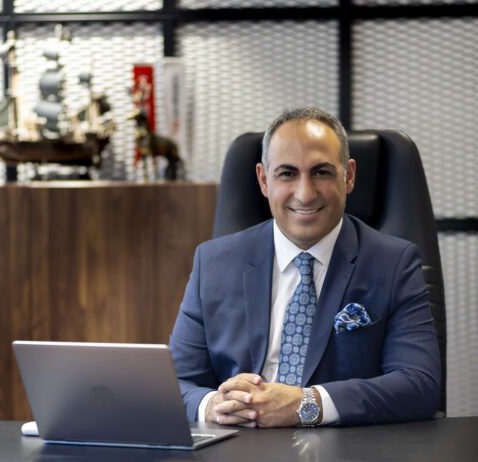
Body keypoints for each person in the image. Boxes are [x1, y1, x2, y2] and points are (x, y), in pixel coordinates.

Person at [169, 107, 441, 427]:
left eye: (321, 172)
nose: (305, 193)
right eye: (287, 174)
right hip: (238, 441)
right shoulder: (213, 263)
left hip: (344, 446)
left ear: (349, 176)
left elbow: (419, 385)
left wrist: (305, 404)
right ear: (264, 180)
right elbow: (174, 382)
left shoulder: (394, 263)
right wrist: (213, 406)